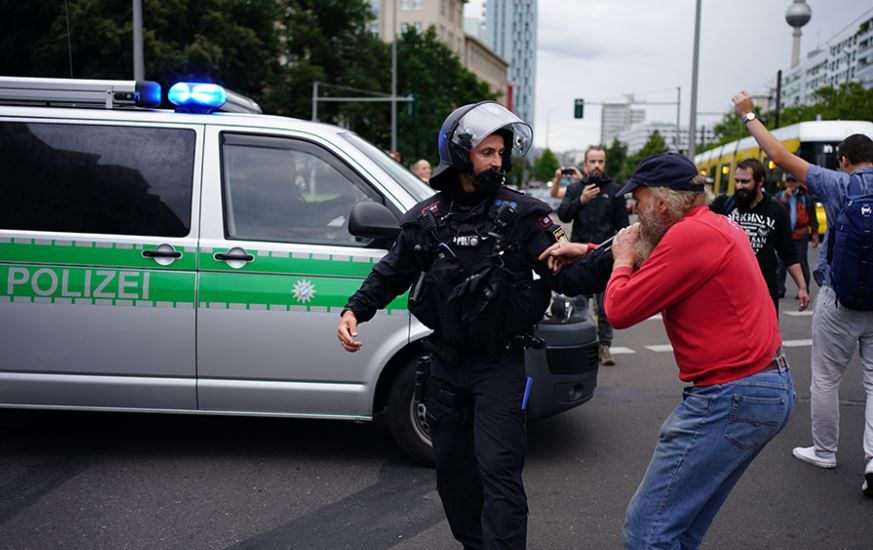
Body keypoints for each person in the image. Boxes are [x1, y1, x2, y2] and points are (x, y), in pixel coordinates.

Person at [337, 100, 612, 549]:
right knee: (452, 474)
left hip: (499, 366)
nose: (498, 161)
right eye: (488, 152)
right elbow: (393, 270)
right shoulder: (427, 219)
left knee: (499, 470)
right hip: (444, 365)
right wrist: (354, 310)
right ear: (462, 154)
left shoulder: (528, 216)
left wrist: (608, 253)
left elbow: (571, 274)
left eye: (502, 153)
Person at [545, 151, 794, 548]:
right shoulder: (705, 226)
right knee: (679, 530)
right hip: (755, 389)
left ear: (662, 204)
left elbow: (620, 309)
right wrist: (589, 249)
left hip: (731, 395)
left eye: (638, 200)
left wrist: (622, 257)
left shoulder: (689, 235)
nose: (633, 209)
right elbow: (655, 265)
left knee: (648, 532)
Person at [732, 89, 873, 498]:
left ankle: (825, 450)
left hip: (838, 298)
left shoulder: (839, 184)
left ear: (843, 161)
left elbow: (778, 156)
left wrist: (749, 114)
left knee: (826, 379)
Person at [556, 145, 629, 365]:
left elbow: (623, 227)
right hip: (578, 256)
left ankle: (604, 347)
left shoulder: (615, 190)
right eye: (592, 161)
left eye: (600, 161)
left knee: (605, 308)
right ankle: (578, 346)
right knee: (578, 305)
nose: (597, 165)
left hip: (605, 257)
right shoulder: (576, 188)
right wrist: (581, 201)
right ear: (585, 164)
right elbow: (563, 215)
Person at [710, 158, 809, 313]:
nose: (739, 186)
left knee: (765, 336)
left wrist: (802, 287)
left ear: (760, 181)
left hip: (764, 290)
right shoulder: (724, 205)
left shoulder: (775, 210)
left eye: (745, 182)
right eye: (737, 181)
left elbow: (788, 252)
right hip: (730, 290)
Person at [774, 173, 819, 299]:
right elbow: (776, 213)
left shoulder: (806, 197)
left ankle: (804, 289)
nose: (790, 184)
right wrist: (784, 199)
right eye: (788, 181)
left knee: (801, 262)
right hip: (784, 234)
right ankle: (779, 289)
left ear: (798, 183)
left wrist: (815, 234)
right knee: (781, 263)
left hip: (801, 234)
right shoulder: (779, 196)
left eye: (793, 181)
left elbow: (812, 217)